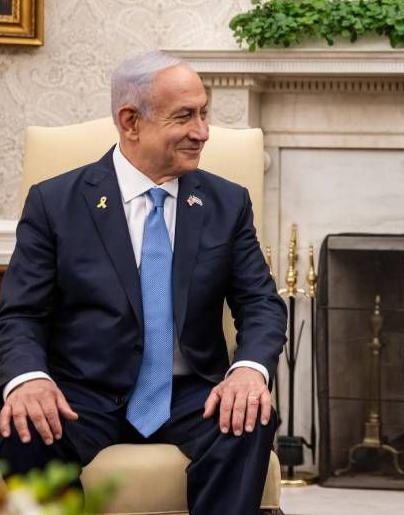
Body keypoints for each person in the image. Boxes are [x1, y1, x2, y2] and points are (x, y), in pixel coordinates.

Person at [0, 51, 287, 515]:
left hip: (191, 391)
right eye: (185, 116)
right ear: (131, 122)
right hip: (82, 389)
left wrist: (249, 370)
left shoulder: (226, 203)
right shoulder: (56, 203)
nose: (203, 131)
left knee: (250, 417)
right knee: (23, 425)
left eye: (205, 112)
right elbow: (22, 313)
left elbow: (261, 304)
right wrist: (28, 380)